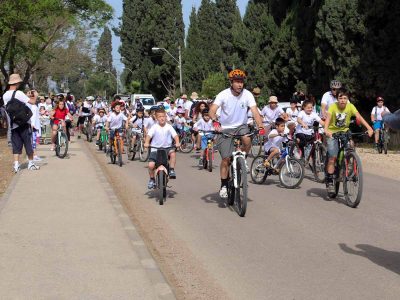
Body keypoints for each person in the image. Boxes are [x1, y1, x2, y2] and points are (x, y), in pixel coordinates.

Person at [209, 69, 264, 199]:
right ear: (231, 82)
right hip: (226, 128)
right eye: (237, 82)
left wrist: (260, 126)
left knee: (247, 138)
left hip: (241, 126)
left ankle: (243, 158)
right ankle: (223, 185)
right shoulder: (223, 94)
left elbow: (255, 112)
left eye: (241, 82)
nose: (240, 84)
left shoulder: (248, 95)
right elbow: (212, 110)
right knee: (226, 159)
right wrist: (215, 122)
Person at [324, 88, 373, 193]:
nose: (342, 100)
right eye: (340, 98)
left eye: (345, 98)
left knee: (351, 145)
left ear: (347, 99)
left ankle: (349, 163)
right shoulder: (333, 107)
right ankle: (330, 181)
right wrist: (327, 130)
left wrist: (369, 128)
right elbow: (327, 121)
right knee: (332, 157)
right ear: (337, 99)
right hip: (332, 133)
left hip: (345, 132)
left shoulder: (350, 106)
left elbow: (359, 116)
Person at [3, 74, 40, 172]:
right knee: (28, 143)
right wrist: (35, 96)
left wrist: (25, 96)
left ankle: (16, 165)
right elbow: (32, 102)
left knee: (16, 145)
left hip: (14, 124)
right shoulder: (19, 93)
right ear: (17, 83)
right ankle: (31, 164)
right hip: (24, 123)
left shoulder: (5, 95)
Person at [144, 108, 180, 189]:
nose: (162, 118)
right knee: (151, 165)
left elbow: (175, 135)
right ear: (156, 118)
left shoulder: (169, 126)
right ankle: (152, 179)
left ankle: (171, 170)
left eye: (163, 116)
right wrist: (146, 143)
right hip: (155, 149)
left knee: (173, 153)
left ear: (166, 117)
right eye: (159, 116)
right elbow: (149, 136)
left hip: (167, 148)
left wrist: (177, 142)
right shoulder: (154, 127)